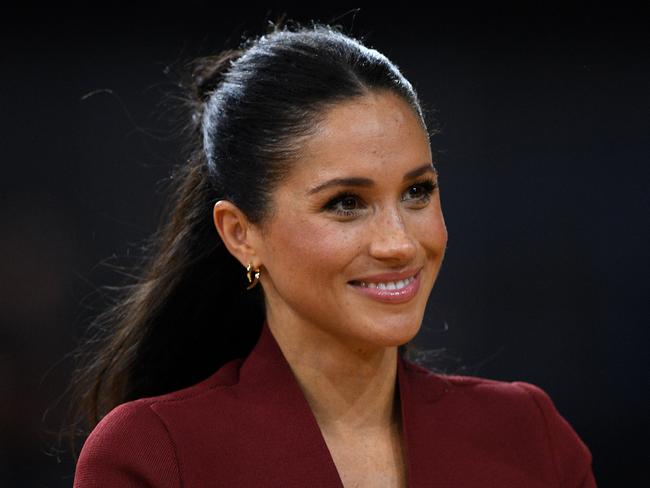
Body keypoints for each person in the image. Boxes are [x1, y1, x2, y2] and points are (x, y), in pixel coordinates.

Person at [69, 20, 596, 487]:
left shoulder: (529, 436)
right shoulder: (154, 455)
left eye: (417, 192)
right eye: (347, 203)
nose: (400, 243)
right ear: (241, 234)